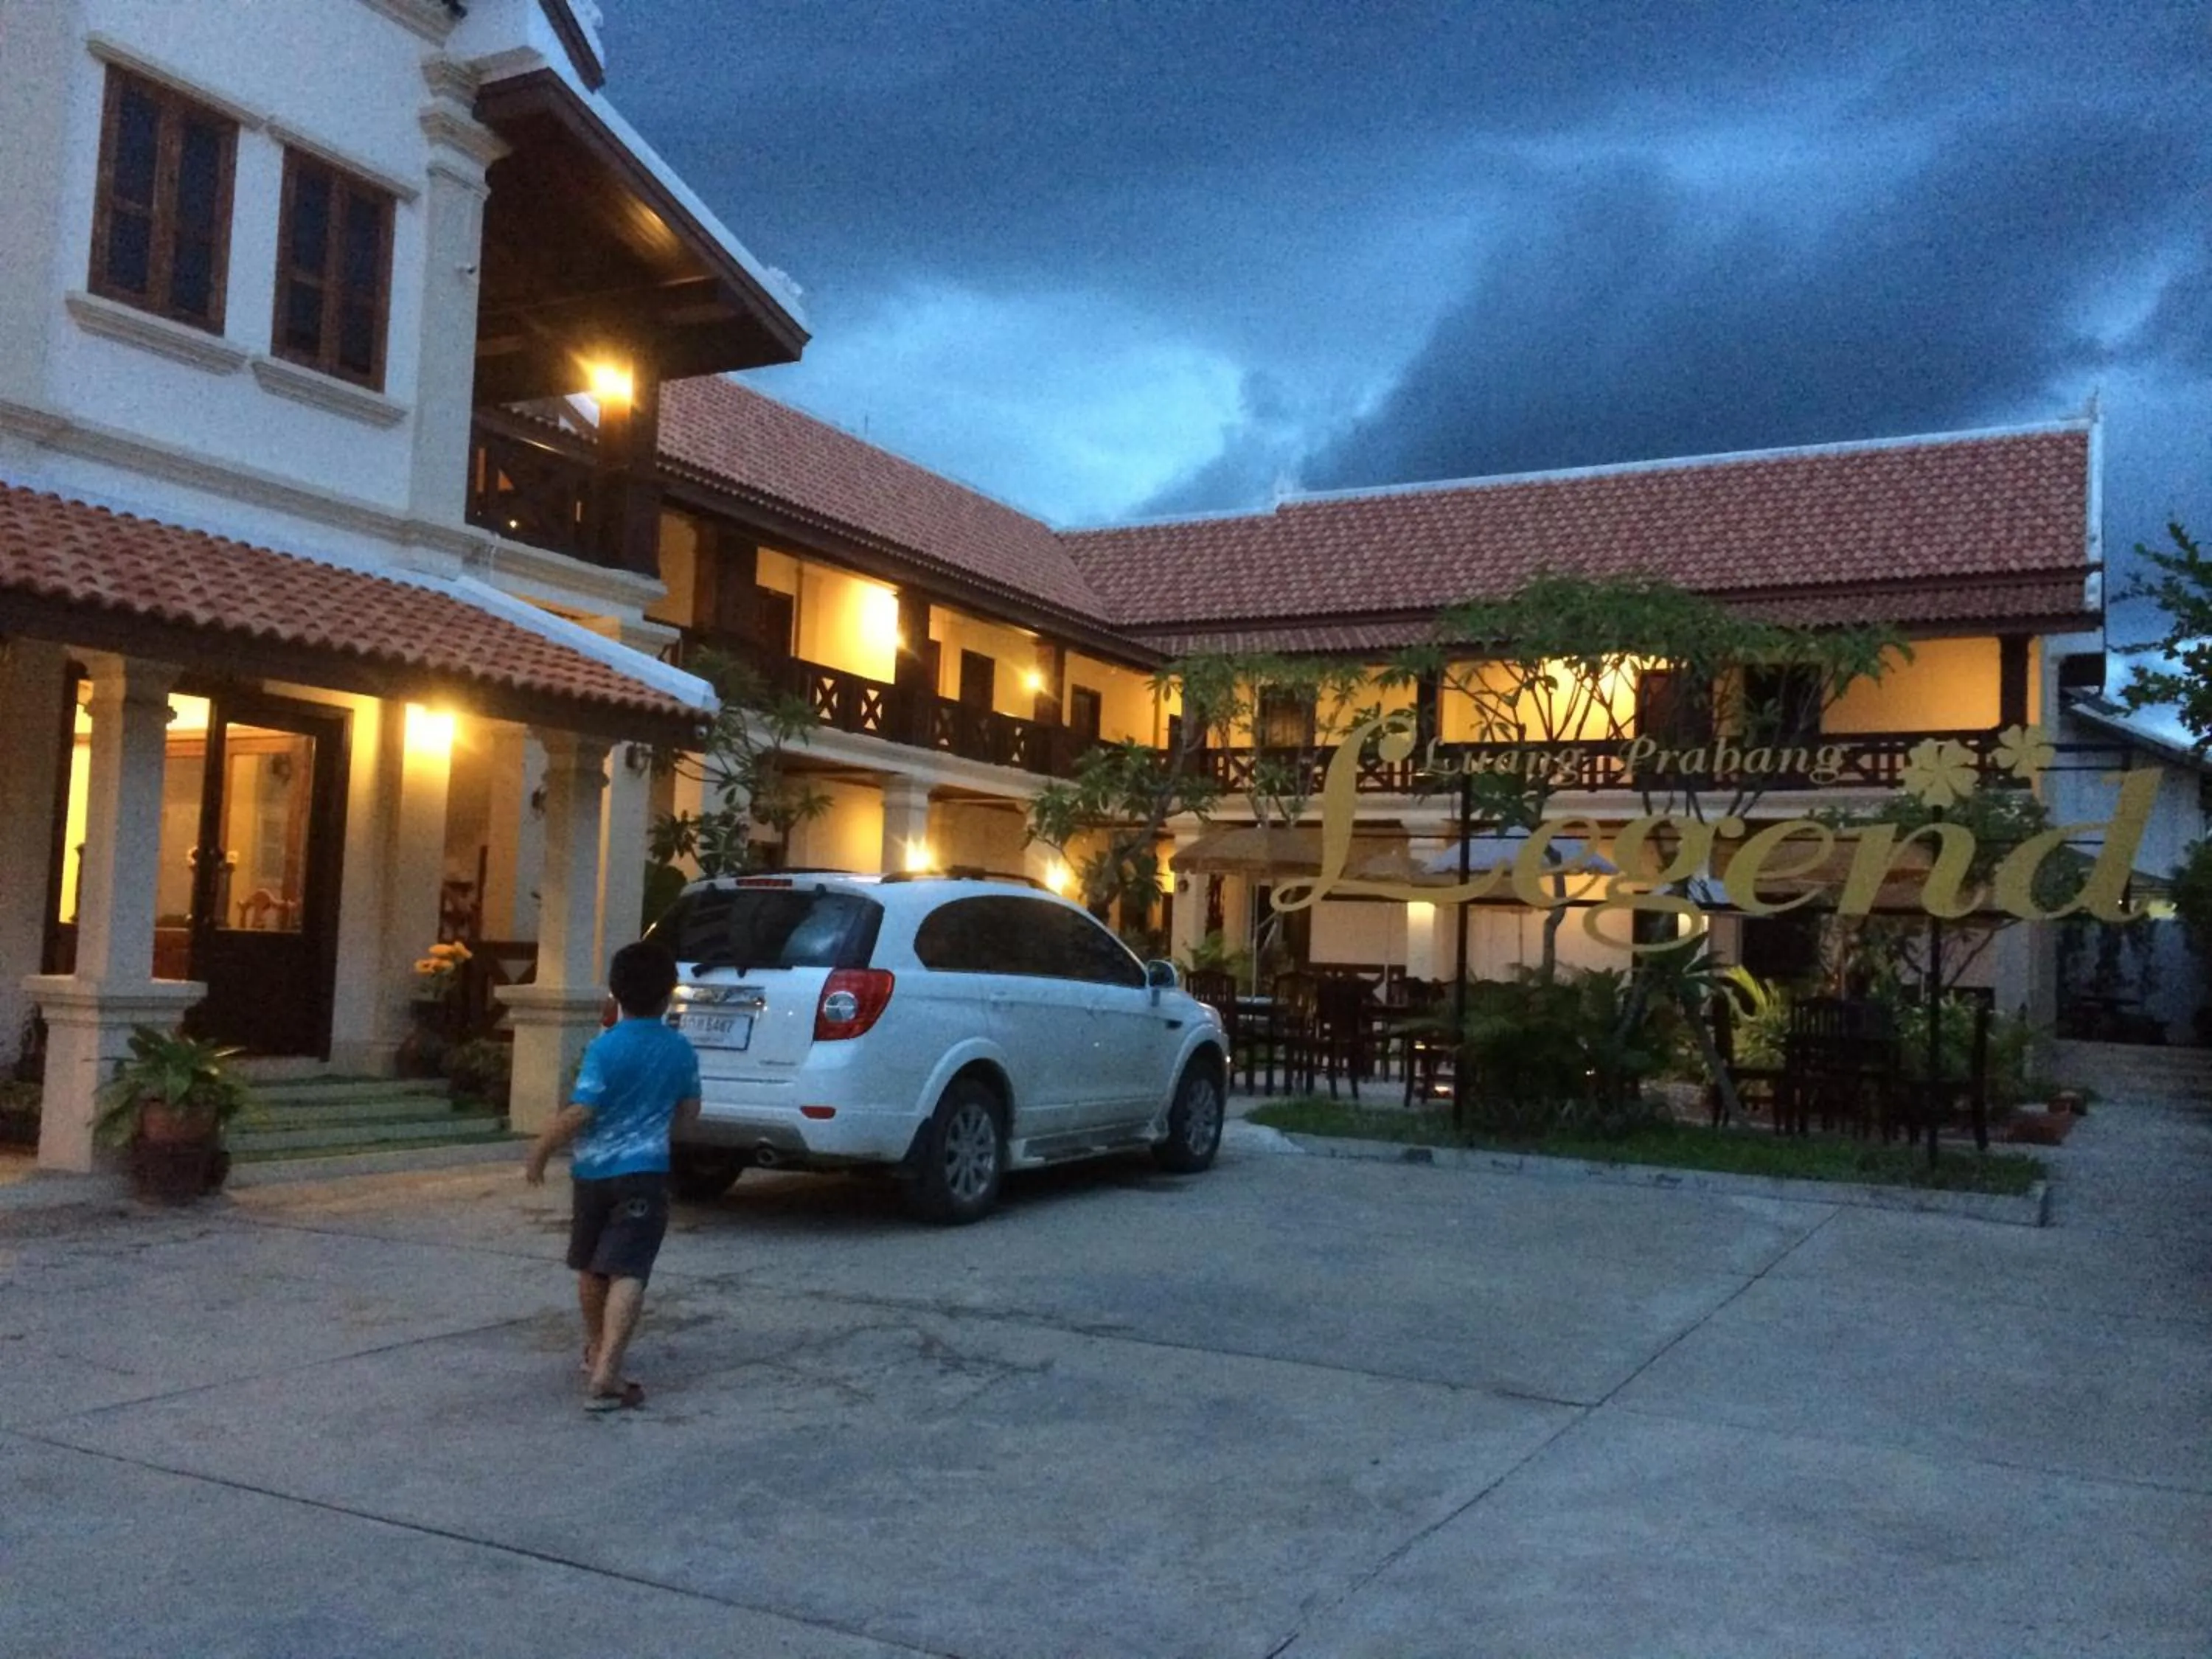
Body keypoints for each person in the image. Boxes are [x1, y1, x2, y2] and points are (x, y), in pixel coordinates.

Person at [524, 939, 700, 1411]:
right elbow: (689, 1115)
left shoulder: (604, 1048)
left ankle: (595, 1348)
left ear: (615, 993)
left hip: (592, 1174)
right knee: (629, 1269)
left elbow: (583, 1109)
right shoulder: (681, 1050)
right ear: (669, 993)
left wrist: (541, 1148)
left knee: (591, 1265)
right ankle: (608, 1371)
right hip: (644, 1173)